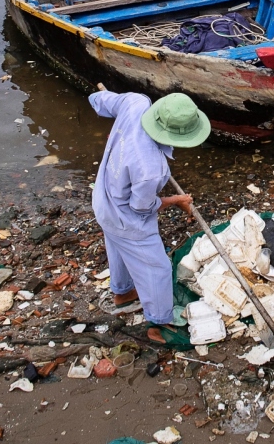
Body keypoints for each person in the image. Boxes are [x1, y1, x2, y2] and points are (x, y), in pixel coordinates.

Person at [89, 86, 208, 343]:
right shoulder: (151, 168)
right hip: (126, 217)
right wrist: (176, 200)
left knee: (118, 246)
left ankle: (122, 294)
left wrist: (120, 133)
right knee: (158, 267)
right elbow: (141, 207)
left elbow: (99, 100)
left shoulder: (135, 102)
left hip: (103, 199)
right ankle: (159, 322)